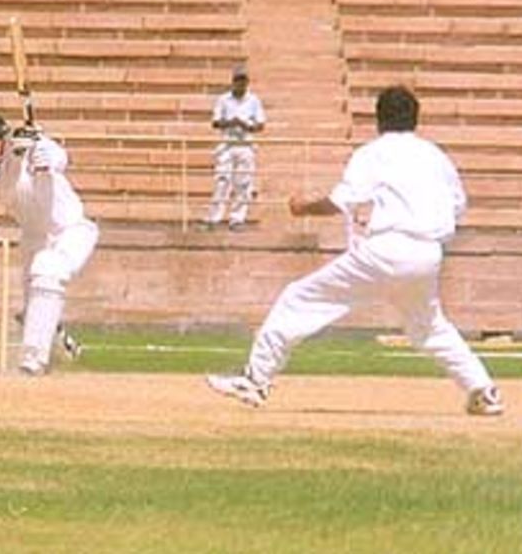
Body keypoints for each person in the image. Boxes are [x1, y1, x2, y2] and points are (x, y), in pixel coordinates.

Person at [207, 86, 504, 416]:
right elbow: (458, 205)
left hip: (387, 248)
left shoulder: (373, 153)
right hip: (428, 253)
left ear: (378, 119)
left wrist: (303, 207)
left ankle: (255, 379)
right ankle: (483, 390)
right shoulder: (436, 156)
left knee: (299, 298)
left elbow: (341, 201)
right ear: (415, 119)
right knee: (430, 327)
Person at [0, 113, 99, 376]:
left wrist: (43, 148)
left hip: (70, 230)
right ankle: (58, 346)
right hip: (34, 240)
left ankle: (32, 361)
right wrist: (17, 154)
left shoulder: (35, 148)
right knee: (33, 311)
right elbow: (6, 184)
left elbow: (61, 158)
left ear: (4, 140)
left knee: (48, 272)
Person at [205, 65, 266, 231]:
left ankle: (237, 219)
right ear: (233, 82)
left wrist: (246, 125)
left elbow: (261, 125)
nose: (240, 84)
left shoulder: (253, 100)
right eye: (237, 80)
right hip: (227, 144)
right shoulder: (223, 99)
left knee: (243, 183)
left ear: (247, 83)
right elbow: (215, 122)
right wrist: (232, 122)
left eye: (243, 81)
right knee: (222, 181)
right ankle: (213, 218)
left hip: (245, 144)